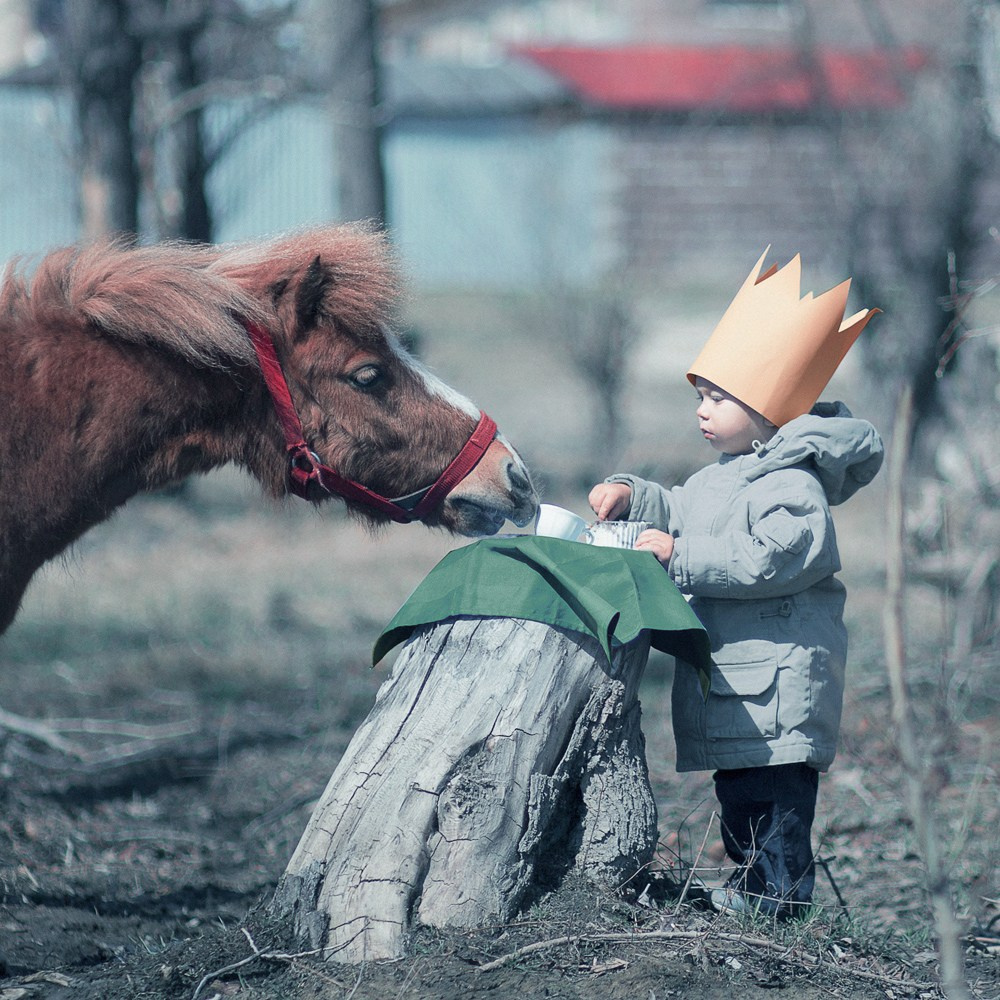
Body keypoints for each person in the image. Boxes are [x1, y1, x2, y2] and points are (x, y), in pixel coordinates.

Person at [589, 249, 884, 919]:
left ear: (770, 407)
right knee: (741, 799)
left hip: (778, 690)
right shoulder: (720, 475)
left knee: (776, 803)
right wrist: (632, 496)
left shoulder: (792, 484)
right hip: (741, 684)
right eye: (700, 396)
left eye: (719, 398)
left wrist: (680, 556)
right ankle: (754, 892)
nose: (703, 410)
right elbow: (679, 509)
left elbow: (770, 558)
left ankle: (778, 904)